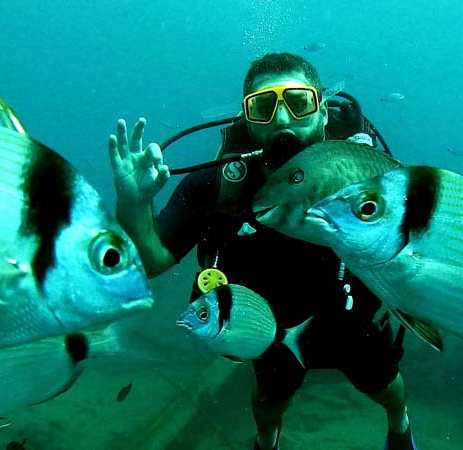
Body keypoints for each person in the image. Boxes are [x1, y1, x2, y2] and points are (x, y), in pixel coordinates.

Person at [108, 52, 418, 450]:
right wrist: (133, 206)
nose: (283, 120)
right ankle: (266, 442)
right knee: (271, 398)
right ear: (245, 118)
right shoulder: (219, 185)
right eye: (264, 107)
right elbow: (151, 261)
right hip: (268, 323)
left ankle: (400, 423)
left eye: (299, 102)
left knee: (384, 386)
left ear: (323, 111)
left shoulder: (366, 177)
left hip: (349, 317)